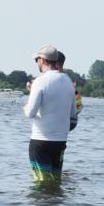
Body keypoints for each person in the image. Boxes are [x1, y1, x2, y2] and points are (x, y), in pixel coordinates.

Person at [23, 45, 78, 183]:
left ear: (42, 60)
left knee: (41, 183)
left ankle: (43, 204)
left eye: (37, 60)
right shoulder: (68, 82)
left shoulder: (39, 81)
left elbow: (30, 113)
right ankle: (56, 204)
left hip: (40, 142)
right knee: (55, 182)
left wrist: (25, 107)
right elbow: (73, 117)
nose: (37, 63)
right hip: (60, 143)